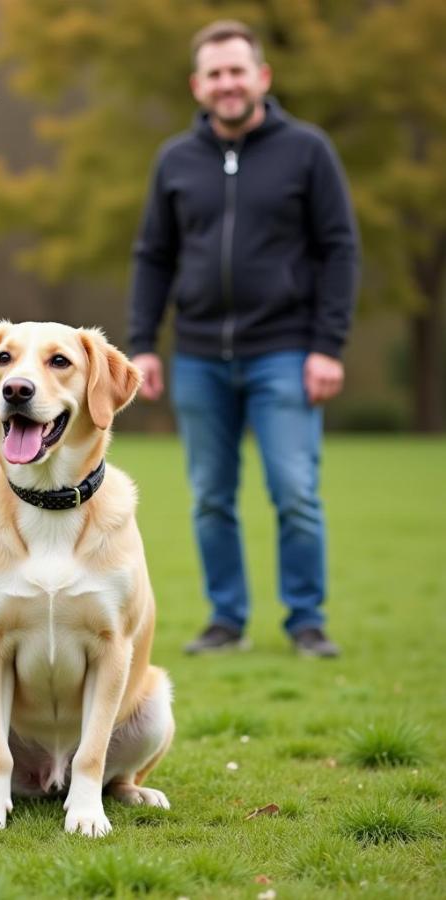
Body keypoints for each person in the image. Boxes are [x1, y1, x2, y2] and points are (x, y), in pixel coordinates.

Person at [128, 20, 359, 658]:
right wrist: (142, 343)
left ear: (262, 77)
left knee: (295, 492)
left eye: (238, 70)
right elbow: (153, 256)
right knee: (209, 498)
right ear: (198, 85)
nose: (228, 83)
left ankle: (306, 621)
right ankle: (226, 621)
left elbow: (340, 250)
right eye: (216, 73)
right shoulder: (175, 160)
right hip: (199, 355)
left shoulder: (309, 151)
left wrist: (328, 346)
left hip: (286, 351)